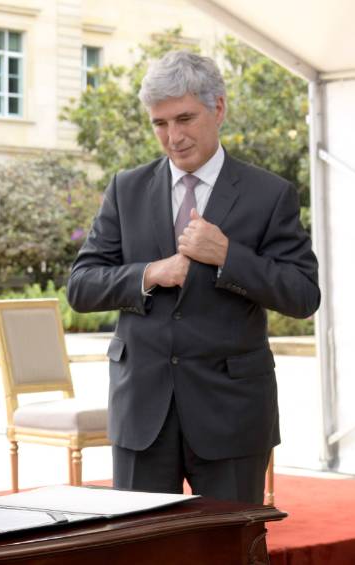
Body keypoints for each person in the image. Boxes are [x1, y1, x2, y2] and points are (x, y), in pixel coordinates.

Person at [67, 51, 320, 504]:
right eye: (160, 124)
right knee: (142, 550)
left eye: (185, 118)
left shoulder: (270, 194)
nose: (173, 137)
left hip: (233, 416)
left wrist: (227, 255)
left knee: (229, 551)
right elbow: (82, 285)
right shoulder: (125, 189)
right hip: (142, 413)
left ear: (218, 108)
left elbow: (303, 294)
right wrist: (150, 273)